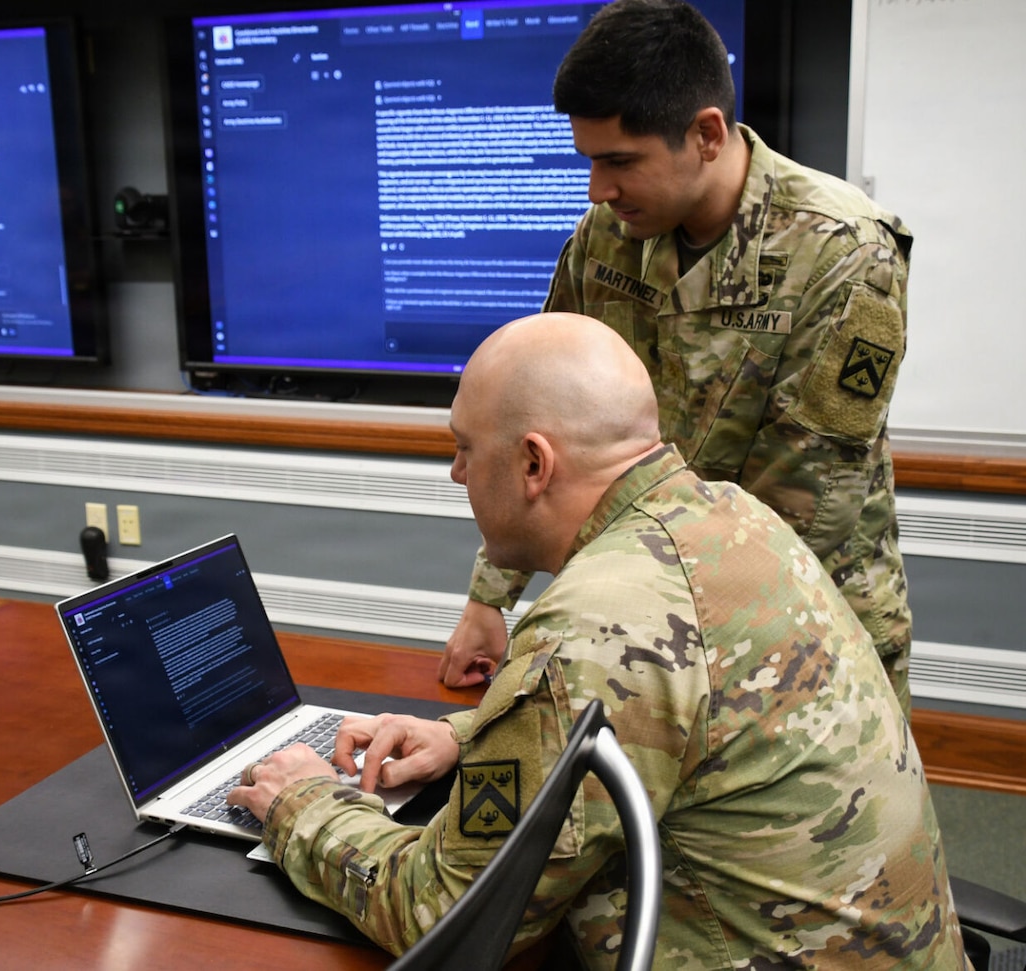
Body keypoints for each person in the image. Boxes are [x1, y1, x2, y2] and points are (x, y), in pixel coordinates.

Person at [228, 312, 969, 969]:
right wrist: (472, 735)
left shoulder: (595, 627)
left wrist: (303, 803)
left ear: (533, 464)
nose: (455, 472)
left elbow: (446, 917)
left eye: (463, 447)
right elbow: (667, 713)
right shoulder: (728, 516)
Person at [439, 0, 916, 716]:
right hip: (644, 619)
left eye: (619, 162)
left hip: (798, 625)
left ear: (706, 134)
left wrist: (626, 621)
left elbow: (806, 504)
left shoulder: (844, 253)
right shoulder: (608, 237)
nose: (599, 189)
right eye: (591, 162)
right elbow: (532, 412)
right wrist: (491, 597)